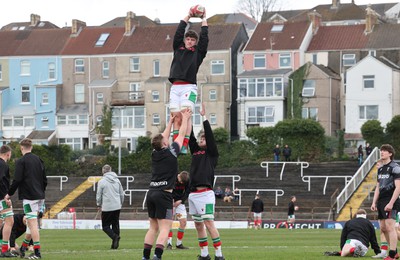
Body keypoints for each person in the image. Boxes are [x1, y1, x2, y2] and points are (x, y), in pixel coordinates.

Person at [142, 109, 191, 260]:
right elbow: (181, 135)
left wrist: (170, 122)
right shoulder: (172, 152)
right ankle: (157, 256)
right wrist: (186, 118)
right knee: (165, 227)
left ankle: (145, 257)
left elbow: (162, 137)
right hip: (164, 194)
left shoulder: (154, 153)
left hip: (151, 193)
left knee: (153, 227)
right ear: (164, 143)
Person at [167, 7, 208, 154]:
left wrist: (203, 19)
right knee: (176, 117)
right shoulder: (178, 48)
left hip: (189, 87)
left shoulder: (198, 53)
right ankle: (176, 145)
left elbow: (204, 39)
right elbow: (179, 32)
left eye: (192, 40)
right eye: (188, 39)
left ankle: (184, 144)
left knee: (186, 114)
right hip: (175, 87)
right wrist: (188, 16)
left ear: (195, 42)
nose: (190, 41)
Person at [188, 102, 225, 260]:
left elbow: (209, 134)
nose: (202, 139)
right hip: (193, 194)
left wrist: (203, 116)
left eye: (204, 138)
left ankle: (219, 254)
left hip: (205, 194)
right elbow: (189, 136)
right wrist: (187, 118)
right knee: (198, 225)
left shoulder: (212, 154)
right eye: (200, 137)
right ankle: (204, 254)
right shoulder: (196, 151)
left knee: (209, 224)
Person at [5, 138, 47, 259]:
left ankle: (37, 252)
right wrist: (41, 192)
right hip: (40, 196)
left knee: (33, 224)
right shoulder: (39, 160)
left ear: (21, 148)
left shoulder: (21, 161)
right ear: (31, 147)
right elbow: (45, 180)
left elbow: (17, 180)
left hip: (29, 197)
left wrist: (9, 194)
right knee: (30, 222)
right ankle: (23, 248)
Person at [371, 144, 400, 260]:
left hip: (390, 199)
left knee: (390, 227)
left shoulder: (395, 167)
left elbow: (398, 187)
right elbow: (378, 187)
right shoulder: (380, 168)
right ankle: (395, 252)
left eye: (384, 151)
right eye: (381, 150)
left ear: (390, 154)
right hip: (382, 200)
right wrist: (374, 202)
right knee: (383, 228)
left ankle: (392, 255)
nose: (382, 152)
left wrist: (391, 203)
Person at [96, 164, 124, 250]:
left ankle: (115, 237)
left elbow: (99, 195)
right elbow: (121, 193)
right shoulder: (117, 180)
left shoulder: (102, 181)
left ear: (103, 171)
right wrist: (120, 203)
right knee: (115, 224)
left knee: (105, 226)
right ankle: (114, 244)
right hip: (117, 206)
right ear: (111, 170)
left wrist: (99, 204)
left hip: (107, 207)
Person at [167, 171, 190, 250]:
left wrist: (180, 200)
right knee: (169, 222)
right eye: (180, 181)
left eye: (182, 182)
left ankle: (179, 244)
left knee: (183, 222)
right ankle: (169, 244)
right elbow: (167, 189)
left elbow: (187, 192)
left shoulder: (186, 181)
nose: (181, 183)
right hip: (170, 202)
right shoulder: (172, 178)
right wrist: (171, 199)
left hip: (179, 204)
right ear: (179, 176)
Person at [0, 145, 16, 257]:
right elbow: (1, 180)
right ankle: (4, 250)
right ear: (8, 154)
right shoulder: (3, 164)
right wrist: (6, 196)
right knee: (10, 221)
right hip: (1, 197)